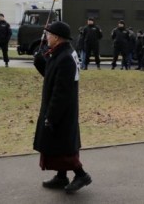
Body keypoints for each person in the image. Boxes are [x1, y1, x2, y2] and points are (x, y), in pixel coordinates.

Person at [33, 21, 92, 194]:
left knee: (64, 147)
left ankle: (81, 175)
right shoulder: (61, 53)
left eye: (49, 35)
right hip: (60, 108)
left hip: (62, 110)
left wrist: (51, 116)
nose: (46, 37)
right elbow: (52, 75)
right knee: (58, 144)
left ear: (57, 38)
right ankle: (61, 177)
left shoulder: (65, 57)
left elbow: (62, 91)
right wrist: (39, 61)